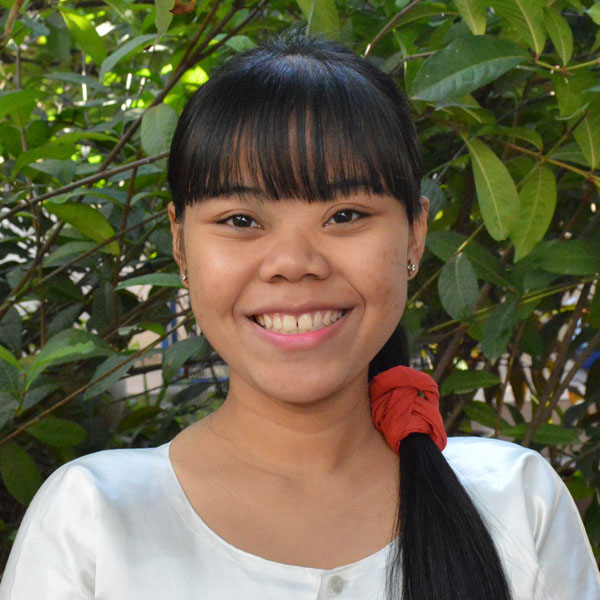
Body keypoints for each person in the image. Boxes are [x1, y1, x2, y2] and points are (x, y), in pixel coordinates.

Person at [1, 33, 599, 600]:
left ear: (415, 235)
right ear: (180, 244)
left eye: (344, 216)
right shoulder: (93, 517)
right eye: (241, 220)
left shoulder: (518, 502)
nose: (293, 263)